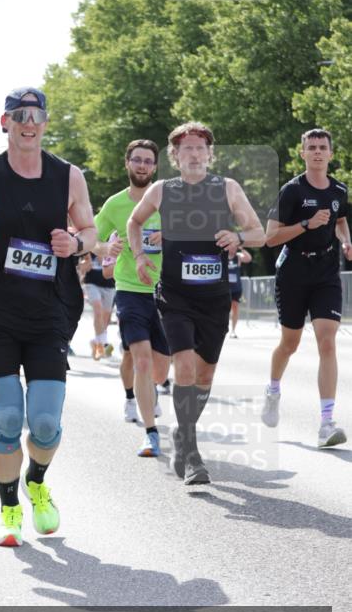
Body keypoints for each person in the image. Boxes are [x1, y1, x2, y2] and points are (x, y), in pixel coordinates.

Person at [0, 86, 96, 547]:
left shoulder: (69, 177)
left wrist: (78, 244)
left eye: (36, 115)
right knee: (8, 418)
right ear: (4, 121)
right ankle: (9, 507)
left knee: (46, 425)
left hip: (49, 312)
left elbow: (89, 231)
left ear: (46, 122)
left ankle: (37, 482)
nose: (28, 123)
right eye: (19, 115)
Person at [129, 122, 266, 484]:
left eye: (199, 147)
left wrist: (238, 236)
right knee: (185, 369)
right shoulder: (162, 190)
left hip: (214, 297)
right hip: (175, 295)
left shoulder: (228, 189)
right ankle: (190, 451)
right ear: (174, 156)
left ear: (209, 153)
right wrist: (141, 256)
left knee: (205, 375)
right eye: (185, 148)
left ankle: (181, 430)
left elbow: (259, 233)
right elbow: (134, 221)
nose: (193, 153)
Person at [261, 128, 350, 447]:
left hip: (326, 271)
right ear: (302, 153)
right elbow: (270, 237)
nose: (316, 151)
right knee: (290, 343)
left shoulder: (340, 189)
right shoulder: (292, 191)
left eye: (322, 147)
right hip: (293, 270)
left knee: (327, 342)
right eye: (310, 147)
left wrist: (347, 240)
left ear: (330, 153)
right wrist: (305, 225)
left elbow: (340, 220)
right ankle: (273, 390)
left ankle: (327, 423)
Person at [94, 139, 170, 457]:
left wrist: (168, 234)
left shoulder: (169, 200)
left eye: (148, 161)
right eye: (136, 160)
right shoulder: (114, 205)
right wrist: (104, 250)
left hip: (167, 291)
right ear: (127, 163)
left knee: (161, 370)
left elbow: (197, 232)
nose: (142, 165)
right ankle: (149, 432)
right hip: (129, 289)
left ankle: (147, 393)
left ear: (155, 167)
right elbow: (90, 237)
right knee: (138, 358)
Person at [80, 251, 116, 359]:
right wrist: (87, 262)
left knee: (106, 317)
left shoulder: (113, 237)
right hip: (92, 282)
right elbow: (83, 263)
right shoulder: (92, 237)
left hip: (109, 284)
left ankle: (97, 341)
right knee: (98, 309)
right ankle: (101, 345)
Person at [228, 247, 252, 337]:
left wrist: (241, 248)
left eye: (235, 247)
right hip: (225, 288)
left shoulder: (238, 257)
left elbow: (249, 258)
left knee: (235, 308)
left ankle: (233, 330)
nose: (233, 248)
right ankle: (223, 328)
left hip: (236, 288)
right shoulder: (224, 256)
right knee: (224, 309)